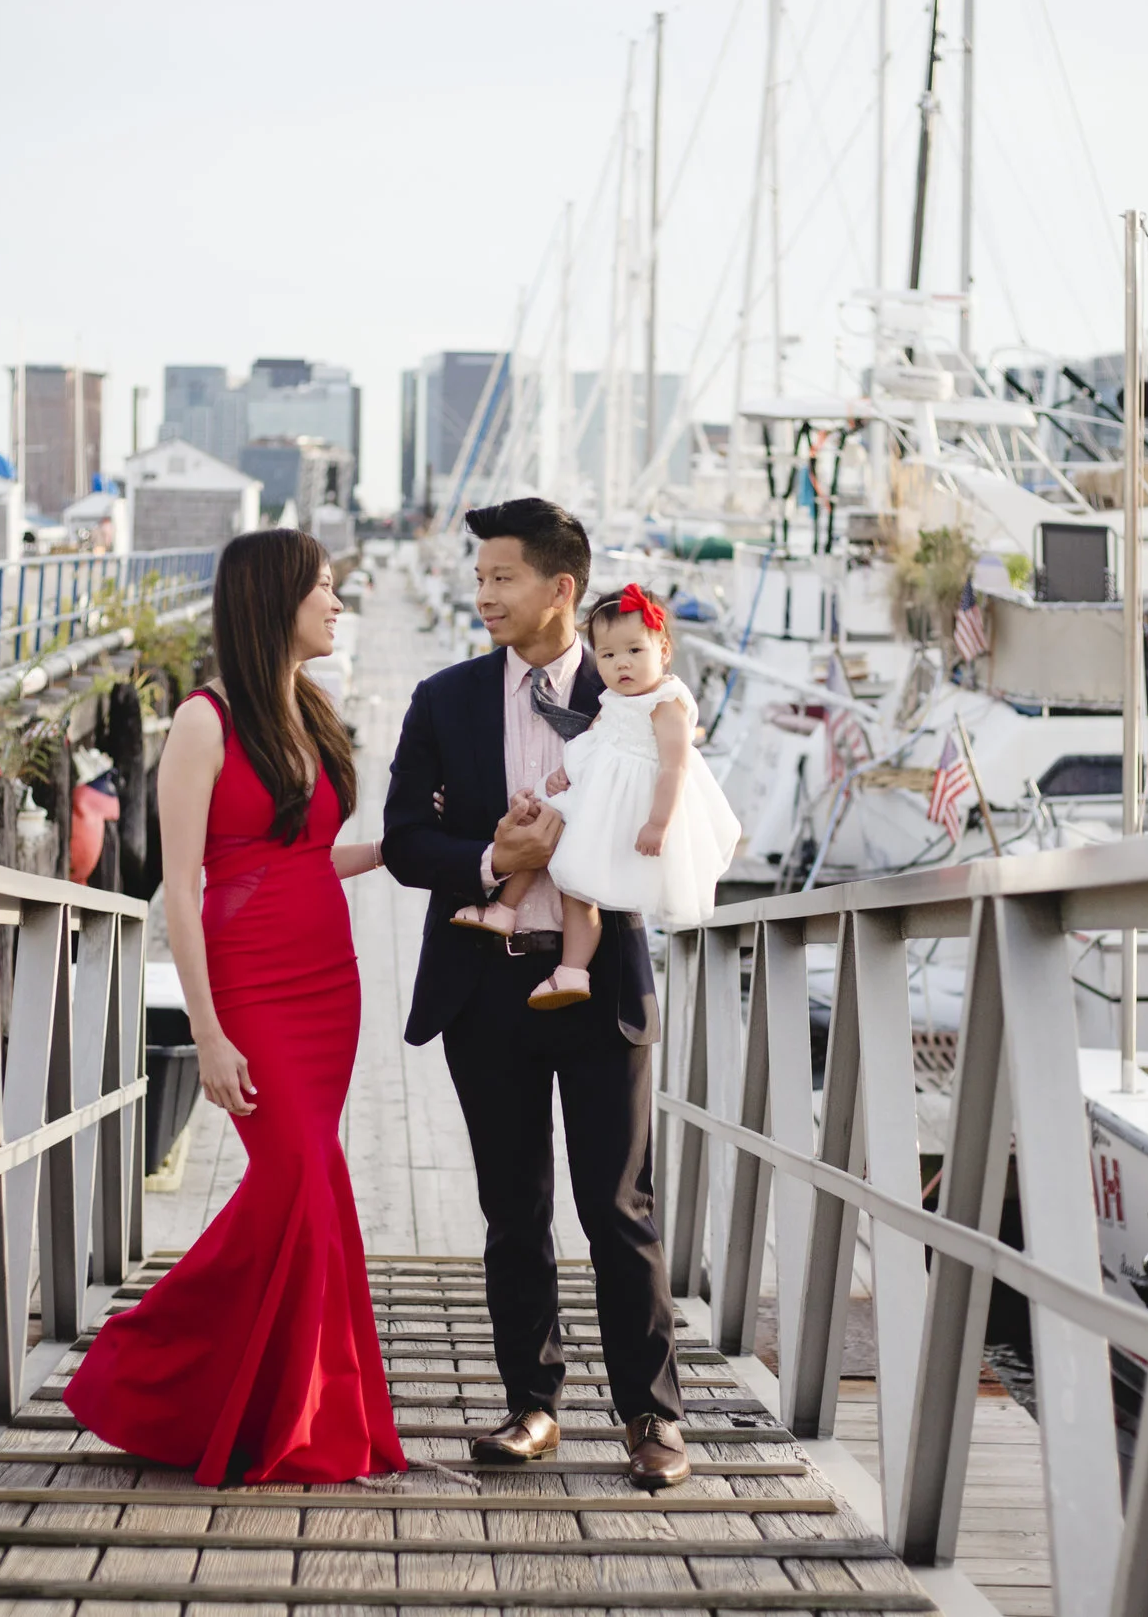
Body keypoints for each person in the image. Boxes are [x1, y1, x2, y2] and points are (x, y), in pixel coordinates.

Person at [62, 527, 403, 1486]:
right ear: (272, 601)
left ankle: (287, 1411)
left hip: (329, 980)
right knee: (296, 1182)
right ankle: (143, 1369)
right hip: (250, 988)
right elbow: (182, 889)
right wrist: (208, 1036)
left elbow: (302, 857)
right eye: (324, 589)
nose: (338, 604)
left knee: (309, 1197)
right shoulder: (205, 722)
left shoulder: (315, 709)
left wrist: (386, 851)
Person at [382, 497, 690, 1491]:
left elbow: (677, 821)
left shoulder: (633, 694)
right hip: (488, 983)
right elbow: (400, 840)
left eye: (501, 578)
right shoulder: (443, 697)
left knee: (617, 1205)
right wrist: (488, 856)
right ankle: (533, 1403)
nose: (482, 596)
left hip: (599, 980)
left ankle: (653, 1418)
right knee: (512, 1207)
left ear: (561, 588)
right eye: (477, 579)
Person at [452, 583, 739, 1011]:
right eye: (607, 655)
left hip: (625, 811)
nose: (621, 664)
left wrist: (657, 823)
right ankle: (505, 910)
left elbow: (674, 767)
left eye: (634, 651)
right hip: (593, 797)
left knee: (578, 886)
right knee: (541, 833)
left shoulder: (666, 702)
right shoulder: (614, 700)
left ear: (663, 651)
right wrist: (564, 772)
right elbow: (595, 741)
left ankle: (572, 969)